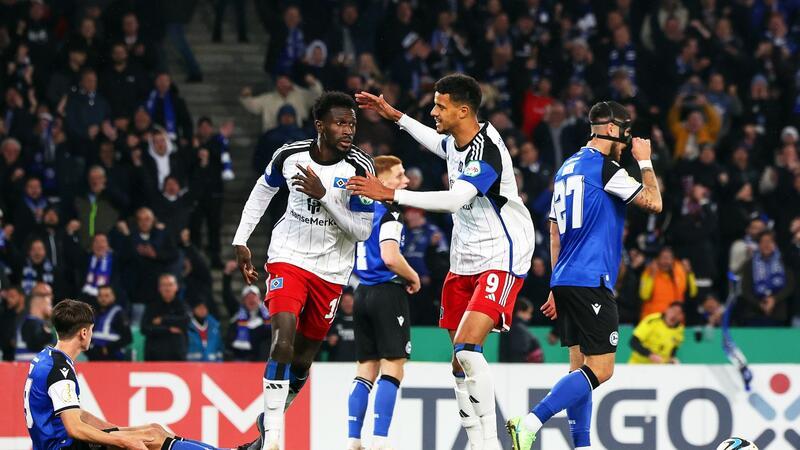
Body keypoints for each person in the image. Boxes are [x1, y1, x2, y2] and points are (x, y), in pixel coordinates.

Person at [351, 74, 536, 450]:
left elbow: (455, 200)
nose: (434, 111)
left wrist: (392, 194)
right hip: (464, 255)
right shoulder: (455, 140)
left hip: (501, 254)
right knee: (458, 362)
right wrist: (394, 115)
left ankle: (489, 442)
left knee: (468, 349)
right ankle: (475, 441)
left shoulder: (487, 151)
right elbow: (436, 141)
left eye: (440, 106)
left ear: (463, 110)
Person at [504, 101, 662, 450]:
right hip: (592, 279)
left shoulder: (566, 168)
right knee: (602, 370)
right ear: (609, 129)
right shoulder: (605, 169)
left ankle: (582, 446)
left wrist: (554, 286)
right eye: (624, 131)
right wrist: (645, 161)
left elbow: (554, 230)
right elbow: (654, 202)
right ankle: (530, 422)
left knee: (580, 372)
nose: (627, 139)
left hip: (567, 279)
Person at [231, 91, 374, 449]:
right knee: (282, 338)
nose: (348, 130)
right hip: (288, 257)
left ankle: (270, 419)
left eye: (352, 123)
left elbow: (362, 231)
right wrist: (241, 239)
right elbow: (262, 191)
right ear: (320, 125)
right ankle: (275, 439)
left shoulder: (360, 168)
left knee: (303, 358)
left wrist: (324, 194)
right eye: (341, 122)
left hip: (332, 270)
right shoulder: (289, 155)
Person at [23, 299, 258, 450]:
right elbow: (74, 428)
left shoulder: (48, 357)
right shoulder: (60, 370)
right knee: (152, 438)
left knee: (154, 429)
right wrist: (123, 440)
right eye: (92, 331)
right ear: (84, 333)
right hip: (63, 446)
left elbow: (78, 414)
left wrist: (115, 429)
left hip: (60, 442)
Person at [347, 155, 420, 450]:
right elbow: (390, 257)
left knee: (365, 369)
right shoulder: (389, 213)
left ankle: (353, 438)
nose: (406, 181)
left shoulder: (358, 212)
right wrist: (413, 276)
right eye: (399, 175)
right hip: (387, 293)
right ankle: (380, 440)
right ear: (381, 181)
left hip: (361, 293)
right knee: (393, 366)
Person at [141, 274, 189, 361]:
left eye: (170, 285)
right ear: (159, 288)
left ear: (176, 287)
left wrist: (163, 320)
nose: (167, 288)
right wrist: (168, 329)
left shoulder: (182, 305)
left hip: (177, 356)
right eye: (164, 285)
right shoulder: (152, 307)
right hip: (154, 356)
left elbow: (185, 321)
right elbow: (144, 328)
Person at [86, 285, 131, 361]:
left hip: (113, 358)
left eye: (106, 296)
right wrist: (90, 351)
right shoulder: (93, 313)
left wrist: (107, 348)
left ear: (113, 297)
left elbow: (127, 338)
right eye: (100, 296)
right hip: (94, 357)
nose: (103, 299)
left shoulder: (119, 314)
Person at [498, 298, 543, 363]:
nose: (530, 316)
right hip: (520, 370)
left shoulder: (508, 327)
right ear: (520, 312)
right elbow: (518, 353)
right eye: (528, 313)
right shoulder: (519, 329)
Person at [15, 292, 54, 361]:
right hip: (28, 366)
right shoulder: (30, 323)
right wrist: (47, 330)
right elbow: (34, 344)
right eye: (49, 304)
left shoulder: (36, 323)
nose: (51, 308)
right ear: (40, 305)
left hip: (34, 367)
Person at [325, 288, 357, 362]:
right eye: (344, 301)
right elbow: (322, 347)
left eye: (350, 301)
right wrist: (329, 342)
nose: (347, 304)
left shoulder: (362, 321)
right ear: (339, 303)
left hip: (358, 365)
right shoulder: (332, 321)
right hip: (336, 365)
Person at [1, 285, 25, 361]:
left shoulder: (30, 315)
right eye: (8, 297)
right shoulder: (4, 317)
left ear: (21, 298)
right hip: (9, 360)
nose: (9, 299)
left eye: (12, 296)